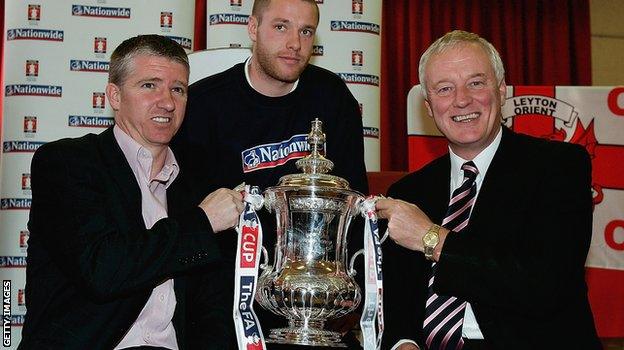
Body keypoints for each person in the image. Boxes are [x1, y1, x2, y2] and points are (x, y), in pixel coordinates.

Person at [376, 30, 601, 350]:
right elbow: (397, 303)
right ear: (429, 107)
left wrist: (431, 237)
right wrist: (403, 342)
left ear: (502, 89)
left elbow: (545, 284)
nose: (462, 99)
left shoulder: (559, 167)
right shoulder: (409, 191)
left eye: (476, 83)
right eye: (444, 89)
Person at [20, 35, 243, 350]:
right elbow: (103, 270)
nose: (167, 102)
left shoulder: (197, 184)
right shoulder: (68, 164)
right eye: (149, 85)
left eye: (178, 89)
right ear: (114, 95)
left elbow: (212, 306)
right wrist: (202, 223)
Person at [172, 0, 368, 348]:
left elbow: (355, 207)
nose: (294, 43)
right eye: (281, 27)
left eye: (305, 31)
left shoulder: (333, 98)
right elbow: (189, 223)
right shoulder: (204, 105)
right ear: (252, 29)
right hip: (226, 293)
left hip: (316, 292)